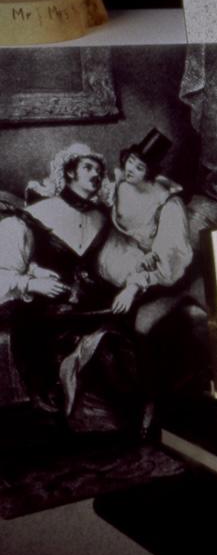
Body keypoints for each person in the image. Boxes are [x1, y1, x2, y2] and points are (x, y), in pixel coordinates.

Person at [0, 144, 145, 431]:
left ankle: (129, 423)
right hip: (46, 316)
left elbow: (129, 263)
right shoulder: (35, 216)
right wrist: (32, 283)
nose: (96, 174)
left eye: (100, 170)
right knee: (104, 349)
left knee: (119, 346)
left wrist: (133, 285)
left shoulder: (103, 218)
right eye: (88, 168)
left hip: (90, 310)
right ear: (69, 172)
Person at [100, 127, 194, 333]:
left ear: (150, 172)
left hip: (151, 260)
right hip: (117, 248)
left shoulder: (167, 203)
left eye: (139, 167)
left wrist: (135, 283)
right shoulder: (121, 181)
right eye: (130, 160)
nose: (130, 169)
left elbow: (169, 251)